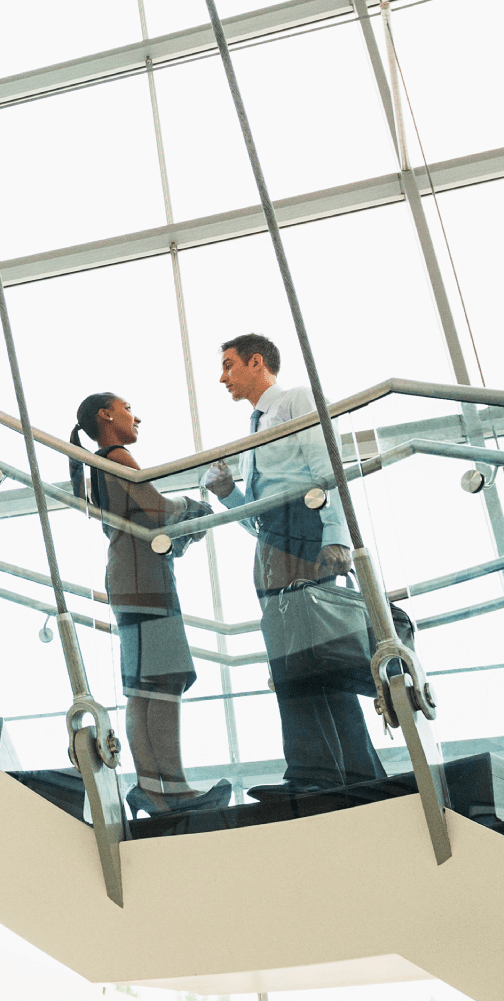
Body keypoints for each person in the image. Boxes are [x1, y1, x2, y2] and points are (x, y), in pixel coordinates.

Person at [202, 333, 388, 794]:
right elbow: (262, 517)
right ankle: (344, 773)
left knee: (315, 656)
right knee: (295, 660)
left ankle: (323, 773)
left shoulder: (294, 401)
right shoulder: (256, 426)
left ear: (256, 362)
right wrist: (229, 496)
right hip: (275, 543)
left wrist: (337, 534)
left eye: (229, 365)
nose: (222, 376)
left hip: (306, 533)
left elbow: (327, 466)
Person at [70, 392, 231, 818]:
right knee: (165, 679)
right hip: (145, 580)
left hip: (130, 578)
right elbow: (156, 509)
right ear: (106, 415)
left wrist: (182, 528)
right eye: (126, 408)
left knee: (146, 686)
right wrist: (194, 510)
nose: (135, 415)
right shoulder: (118, 456)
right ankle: (171, 789)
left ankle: (152, 787)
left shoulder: (100, 465)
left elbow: (144, 521)